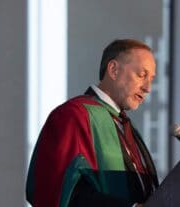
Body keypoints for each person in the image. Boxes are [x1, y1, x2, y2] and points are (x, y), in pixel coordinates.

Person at [26, 39, 159, 207]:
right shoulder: (72, 116)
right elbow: (59, 190)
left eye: (151, 79)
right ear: (113, 70)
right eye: (141, 75)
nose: (148, 88)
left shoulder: (124, 125)